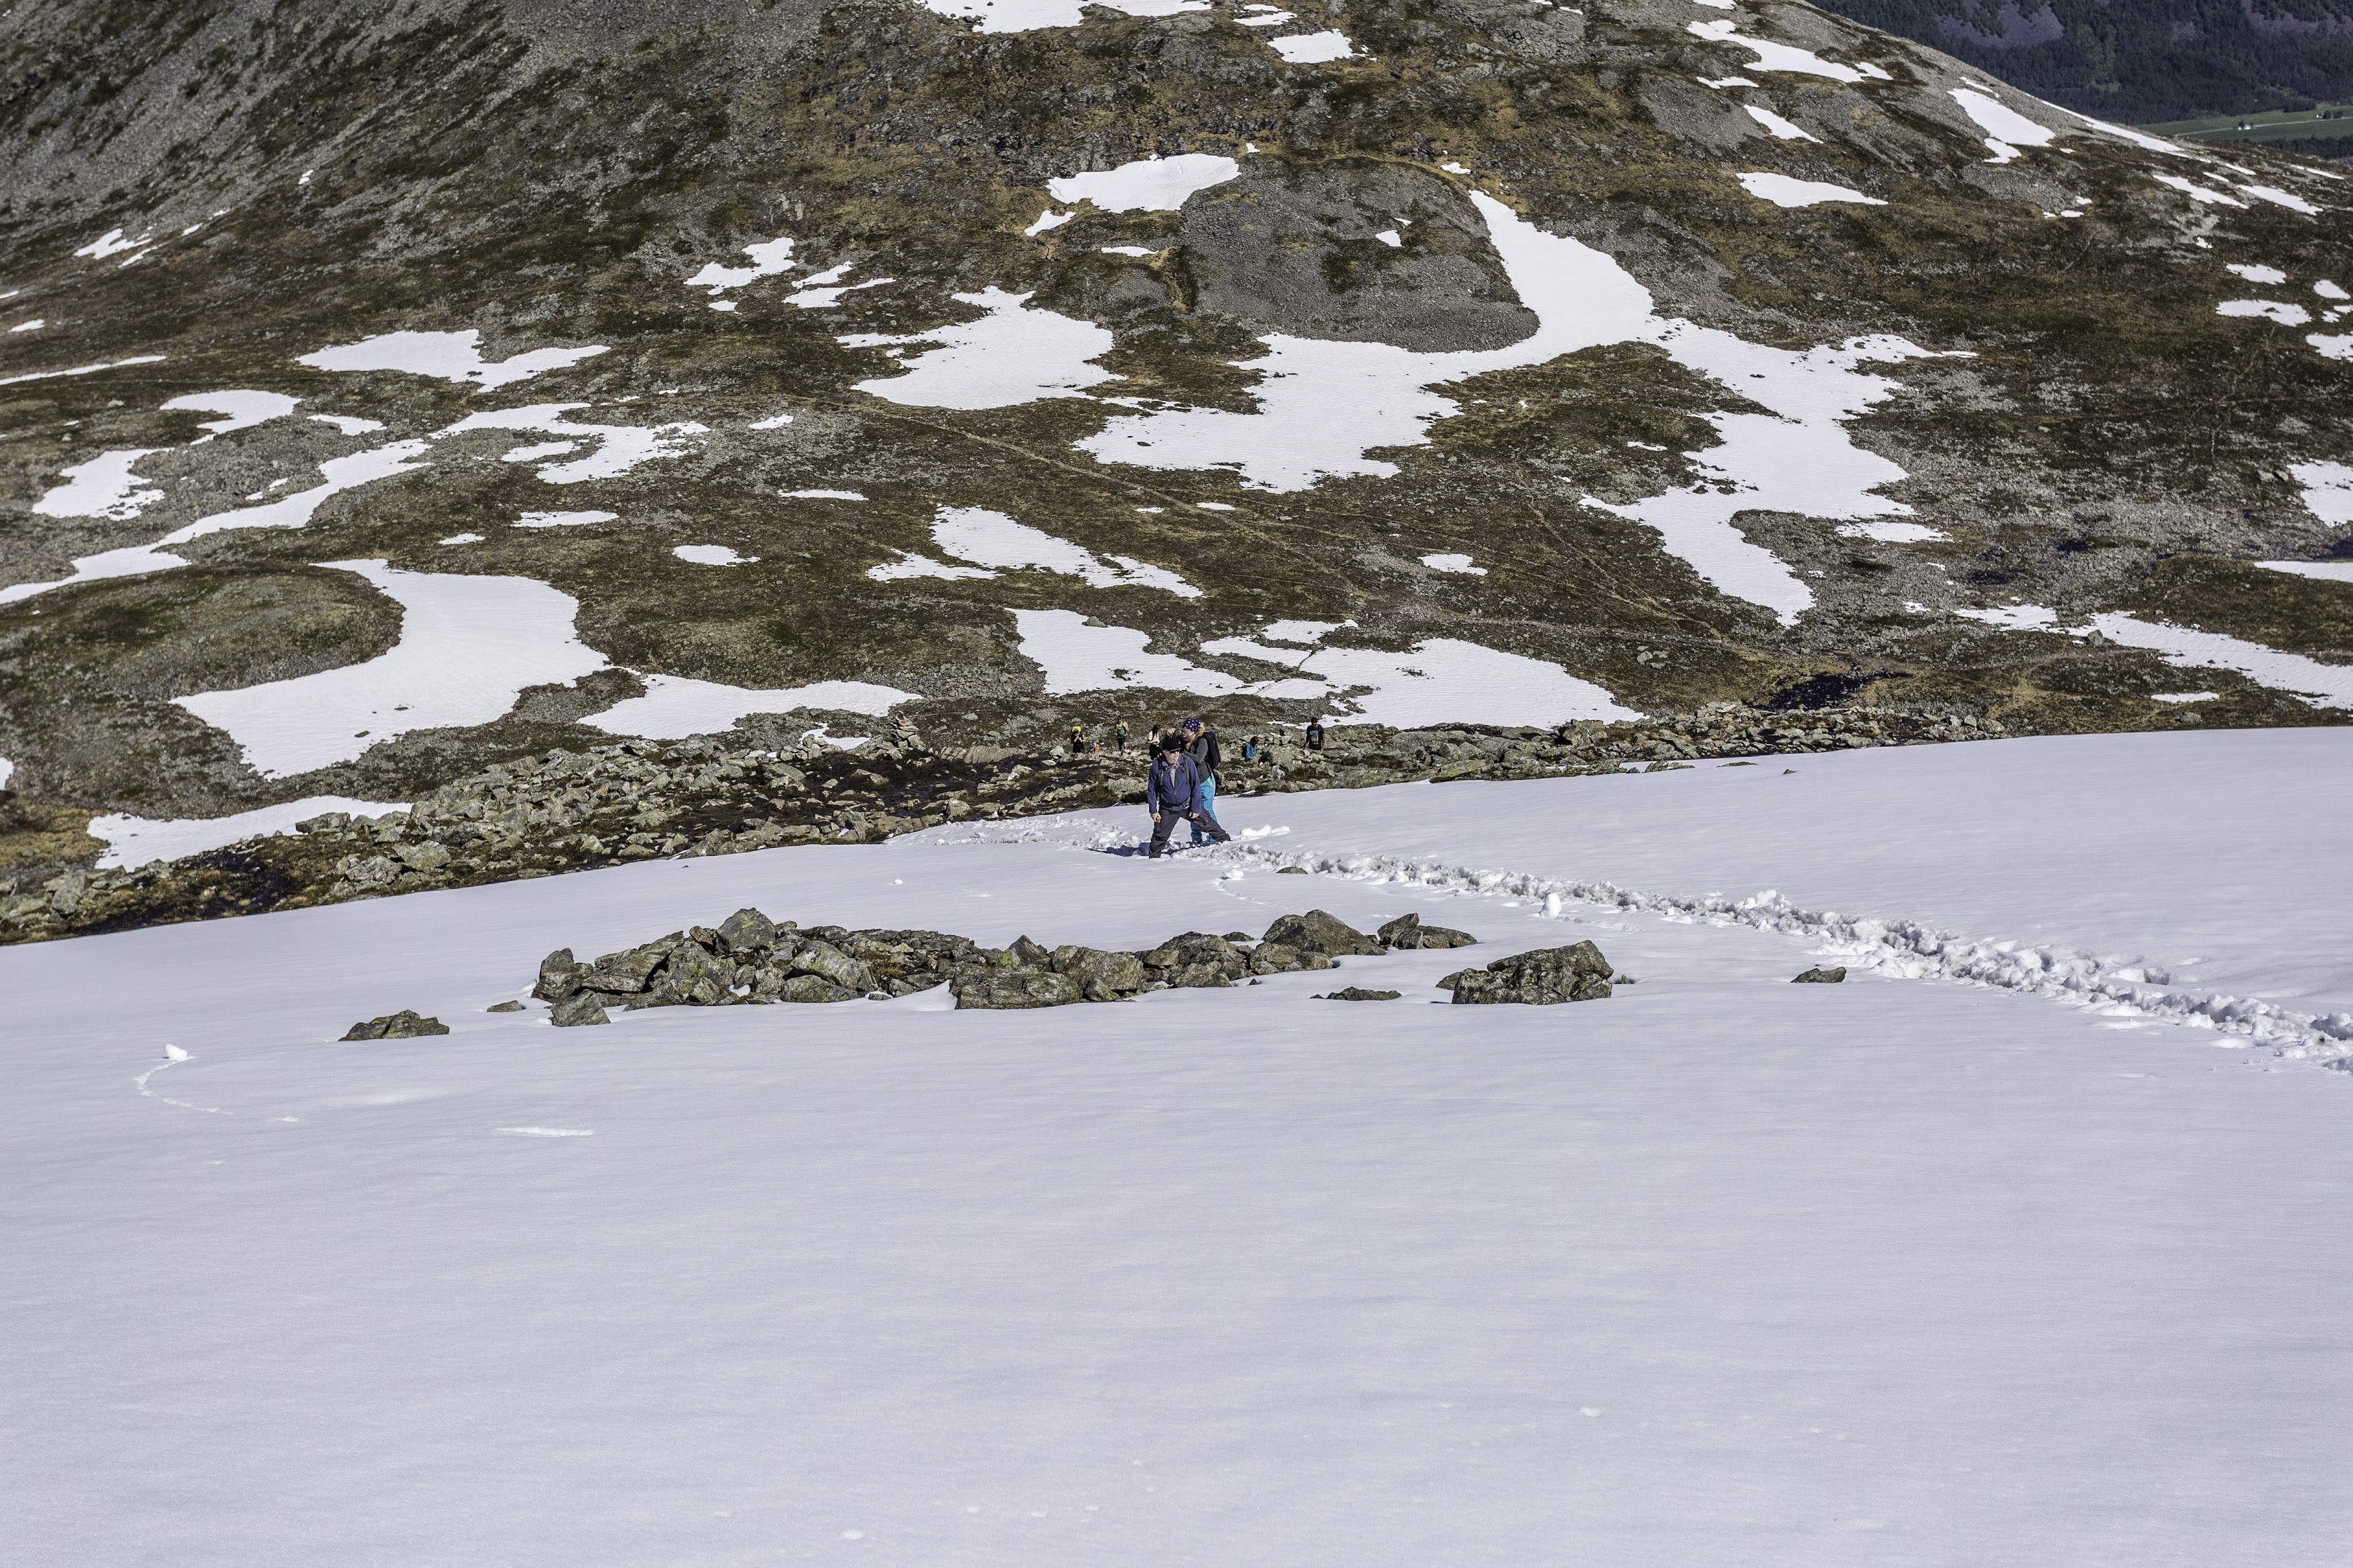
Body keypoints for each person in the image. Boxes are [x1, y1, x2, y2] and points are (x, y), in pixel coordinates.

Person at [1145, 732, 1229, 858]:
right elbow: (1152, 790)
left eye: (1178, 751)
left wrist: (1196, 808)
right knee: (1160, 836)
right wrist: (1153, 810)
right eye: (1173, 751)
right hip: (1168, 809)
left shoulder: (1187, 762)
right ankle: (1151, 861)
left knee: (1209, 825)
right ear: (1165, 752)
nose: (1176, 754)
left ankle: (1229, 845)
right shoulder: (1157, 767)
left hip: (1188, 804)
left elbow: (1196, 786)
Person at [1182, 717, 1222, 845]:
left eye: (1186, 733)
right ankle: (1196, 840)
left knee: (1207, 810)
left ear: (1194, 732)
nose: (1183, 735)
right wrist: (1168, 737)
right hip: (1192, 784)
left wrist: (1183, 753)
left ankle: (1215, 837)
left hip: (1206, 781)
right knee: (1193, 812)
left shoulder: (1202, 741)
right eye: (1182, 732)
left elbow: (1199, 759)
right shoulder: (1181, 742)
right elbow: (1165, 747)